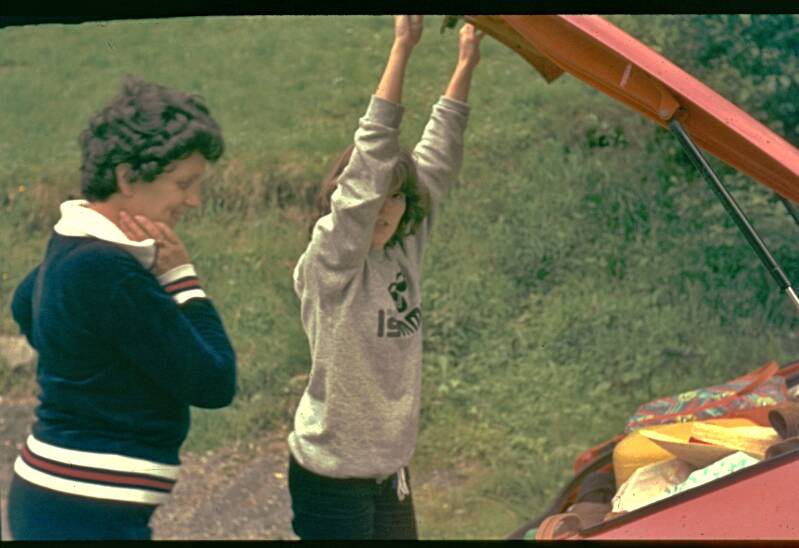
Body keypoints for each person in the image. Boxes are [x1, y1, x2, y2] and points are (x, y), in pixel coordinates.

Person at [7, 77, 237, 540]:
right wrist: (181, 279)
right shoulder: (106, 270)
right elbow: (214, 382)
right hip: (84, 512)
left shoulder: (76, 247)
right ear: (127, 178)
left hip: (65, 501)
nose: (193, 200)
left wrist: (92, 365)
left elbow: (25, 305)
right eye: (183, 184)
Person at [287, 15, 483, 539]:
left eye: (395, 196)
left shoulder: (404, 246)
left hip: (389, 473)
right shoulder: (330, 262)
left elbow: (438, 157)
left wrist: (466, 61)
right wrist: (402, 48)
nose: (383, 207)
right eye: (374, 195)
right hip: (332, 478)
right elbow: (370, 164)